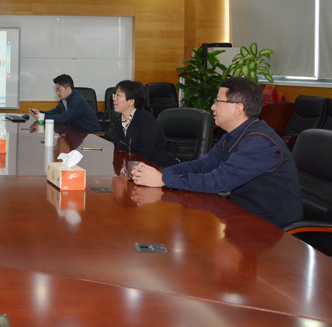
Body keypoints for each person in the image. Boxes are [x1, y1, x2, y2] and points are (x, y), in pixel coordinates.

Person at [132, 77, 303, 228]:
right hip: (242, 218)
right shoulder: (233, 136)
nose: (213, 107)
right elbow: (202, 165)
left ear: (238, 108)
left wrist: (163, 180)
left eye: (218, 102)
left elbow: (218, 181)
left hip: (272, 232)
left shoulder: (259, 143)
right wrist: (160, 174)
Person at [105, 80, 174, 167]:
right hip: (131, 166)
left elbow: (145, 155)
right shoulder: (119, 120)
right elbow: (119, 148)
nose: (114, 98)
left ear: (131, 101)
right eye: (114, 95)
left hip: (153, 168)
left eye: (118, 95)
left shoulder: (147, 122)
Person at [29, 74, 100, 133]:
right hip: (77, 133)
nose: (57, 93)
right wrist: (40, 113)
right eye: (56, 90)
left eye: (59, 90)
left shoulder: (77, 100)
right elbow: (54, 112)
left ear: (68, 89)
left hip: (91, 135)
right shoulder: (65, 100)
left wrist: (43, 118)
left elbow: (65, 118)